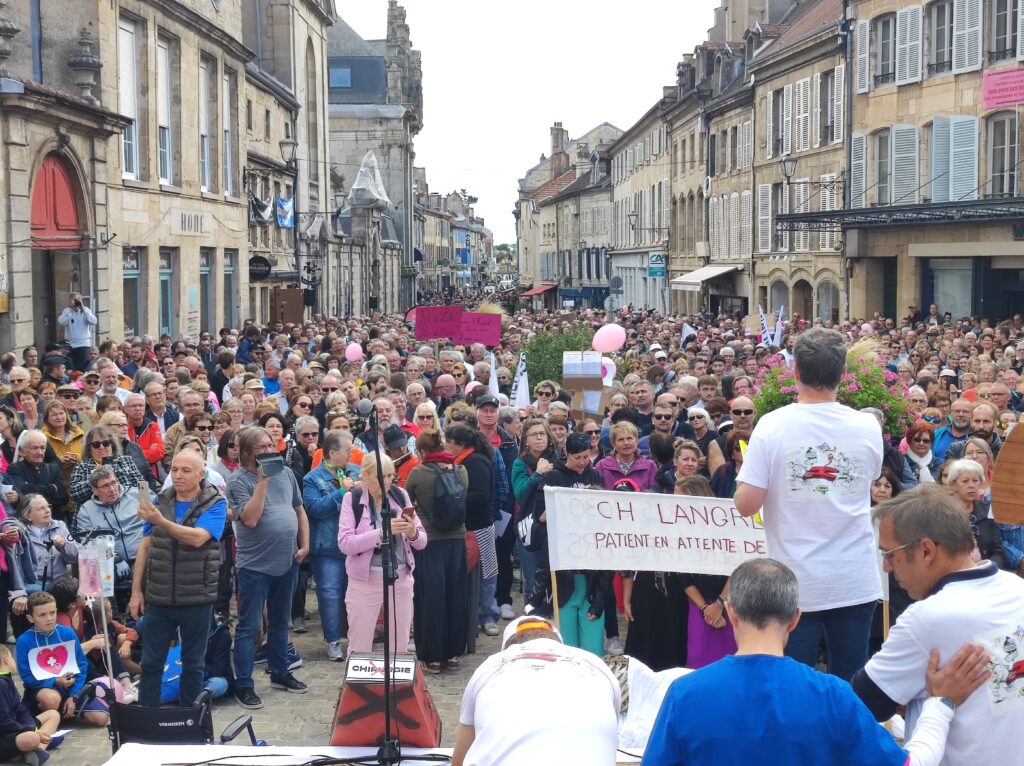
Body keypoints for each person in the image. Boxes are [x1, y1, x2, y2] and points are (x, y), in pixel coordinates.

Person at [644, 557, 991, 766]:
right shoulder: (833, 695)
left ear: (732, 612)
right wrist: (941, 704)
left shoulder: (684, 694)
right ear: (795, 618)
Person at [735, 327, 882, 681]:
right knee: (851, 680)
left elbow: (746, 504)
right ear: (843, 374)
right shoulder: (866, 425)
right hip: (854, 576)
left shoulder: (772, 425)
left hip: (794, 580)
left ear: (796, 371)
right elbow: (871, 479)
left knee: (792, 680)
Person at [853, 484, 1024, 765]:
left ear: (926, 551)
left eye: (889, 554)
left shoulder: (926, 618)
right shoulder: (1017, 588)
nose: (886, 568)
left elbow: (863, 704)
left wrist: (915, 698)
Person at [129, 448, 227, 707]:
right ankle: (145, 720)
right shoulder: (161, 500)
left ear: (201, 473)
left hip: (196, 597)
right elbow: (145, 546)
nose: (178, 475)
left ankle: (190, 723)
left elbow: (198, 538)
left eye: (186, 470)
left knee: (193, 665)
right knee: (150, 663)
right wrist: (136, 591)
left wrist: (160, 521)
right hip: (159, 596)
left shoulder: (215, 502)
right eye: (174, 469)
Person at [452, 616, 620, 766]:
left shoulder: (491, 664)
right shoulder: (595, 663)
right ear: (557, 641)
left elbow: (459, 758)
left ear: (509, 646)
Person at [227, 426, 310, 709]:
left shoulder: (286, 474)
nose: (268, 450)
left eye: (270, 445)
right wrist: (262, 482)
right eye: (261, 447)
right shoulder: (238, 481)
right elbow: (249, 519)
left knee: (280, 621)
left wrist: (305, 544)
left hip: (287, 560)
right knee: (249, 626)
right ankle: (245, 684)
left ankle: (279, 671)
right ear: (248, 452)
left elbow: (299, 510)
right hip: (254, 565)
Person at [338, 452, 426, 655]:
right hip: (365, 581)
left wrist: (412, 532)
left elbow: (422, 541)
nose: (386, 482)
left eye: (390, 476)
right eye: (380, 476)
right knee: (359, 646)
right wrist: (382, 532)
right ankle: (360, 686)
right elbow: (345, 543)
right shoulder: (352, 499)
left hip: (401, 577)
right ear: (365, 476)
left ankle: (396, 686)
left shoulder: (400, 495)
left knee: (400, 647)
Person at [405, 429, 469, 674]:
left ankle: (431, 656)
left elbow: (406, 502)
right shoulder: (461, 471)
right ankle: (452, 653)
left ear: (421, 451)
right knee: (455, 594)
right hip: (457, 539)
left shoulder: (418, 473)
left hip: (428, 541)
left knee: (430, 597)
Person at [302, 429, 358, 662]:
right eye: (347, 450)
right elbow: (314, 509)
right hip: (326, 546)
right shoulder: (312, 479)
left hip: (354, 544)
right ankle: (333, 641)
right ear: (333, 453)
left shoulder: (355, 471)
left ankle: (355, 639)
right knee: (329, 594)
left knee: (355, 595)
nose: (352, 453)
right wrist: (342, 492)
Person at [15, 592, 108, 728]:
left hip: (71, 686)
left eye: (52, 613)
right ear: (30, 618)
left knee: (101, 718)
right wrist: (55, 681)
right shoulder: (23, 641)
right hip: (42, 688)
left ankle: (66, 709)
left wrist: (74, 696)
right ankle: (50, 715)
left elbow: (81, 666)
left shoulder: (67, 633)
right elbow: (27, 677)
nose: (49, 618)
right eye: (42, 615)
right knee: (52, 699)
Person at [0, 643, 62, 765]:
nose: (13, 661)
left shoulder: (6, 680)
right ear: (6, 659)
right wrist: (31, 731)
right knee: (31, 738)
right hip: (4, 735)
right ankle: (36, 749)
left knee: (53, 715)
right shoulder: (1, 684)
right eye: (12, 657)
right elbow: (4, 722)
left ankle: (35, 751)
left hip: (14, 728)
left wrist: (32, 727)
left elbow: (20, 709)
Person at [943, 459, 1006, 569]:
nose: (971, 485)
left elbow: (998, 551)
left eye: (975, 480)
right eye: (965, 481)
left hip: (986, 573)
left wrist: (988, 568)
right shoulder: (941, 513)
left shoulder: (987, 510)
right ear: (953, 484)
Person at [67, 424, 145, 506]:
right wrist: (97, 478)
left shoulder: (125, 460)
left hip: (126, 507)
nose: (101, 447)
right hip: (94, 513)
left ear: (112, 445)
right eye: (96, 444)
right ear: (89, 448)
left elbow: (142, 486)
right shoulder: (81, 466)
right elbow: (74, 494)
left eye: (106, 443)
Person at [18, 494, 77, 593]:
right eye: (41, 508)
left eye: (48, 506)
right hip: (33, 586)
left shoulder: (60, 526)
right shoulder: (21, 534)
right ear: (28, 516)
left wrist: (64, 546)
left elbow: (74, 557)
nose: (47, 510)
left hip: (60, 584)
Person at [7, 432, 68, 524]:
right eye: (34, 448)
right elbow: (22, 496)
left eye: (42, 448)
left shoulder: (53, 468)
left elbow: (64, 498)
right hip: (27, 526)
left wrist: (30, 490)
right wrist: (52, 488)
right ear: (22, 451)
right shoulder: (14, 469)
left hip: (54, 524)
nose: (39, 452)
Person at [56, 293, 97, 372]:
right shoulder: (67, 311)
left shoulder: (86, 310)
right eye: (74, 300)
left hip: (83, 344)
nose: (76, 302)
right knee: (71, 367)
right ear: (70, 301)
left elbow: (94, 321)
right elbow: (61, 321)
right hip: (70, 345)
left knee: (81, 367)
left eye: (78, 300)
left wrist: (83, 309)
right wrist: (71, 310)